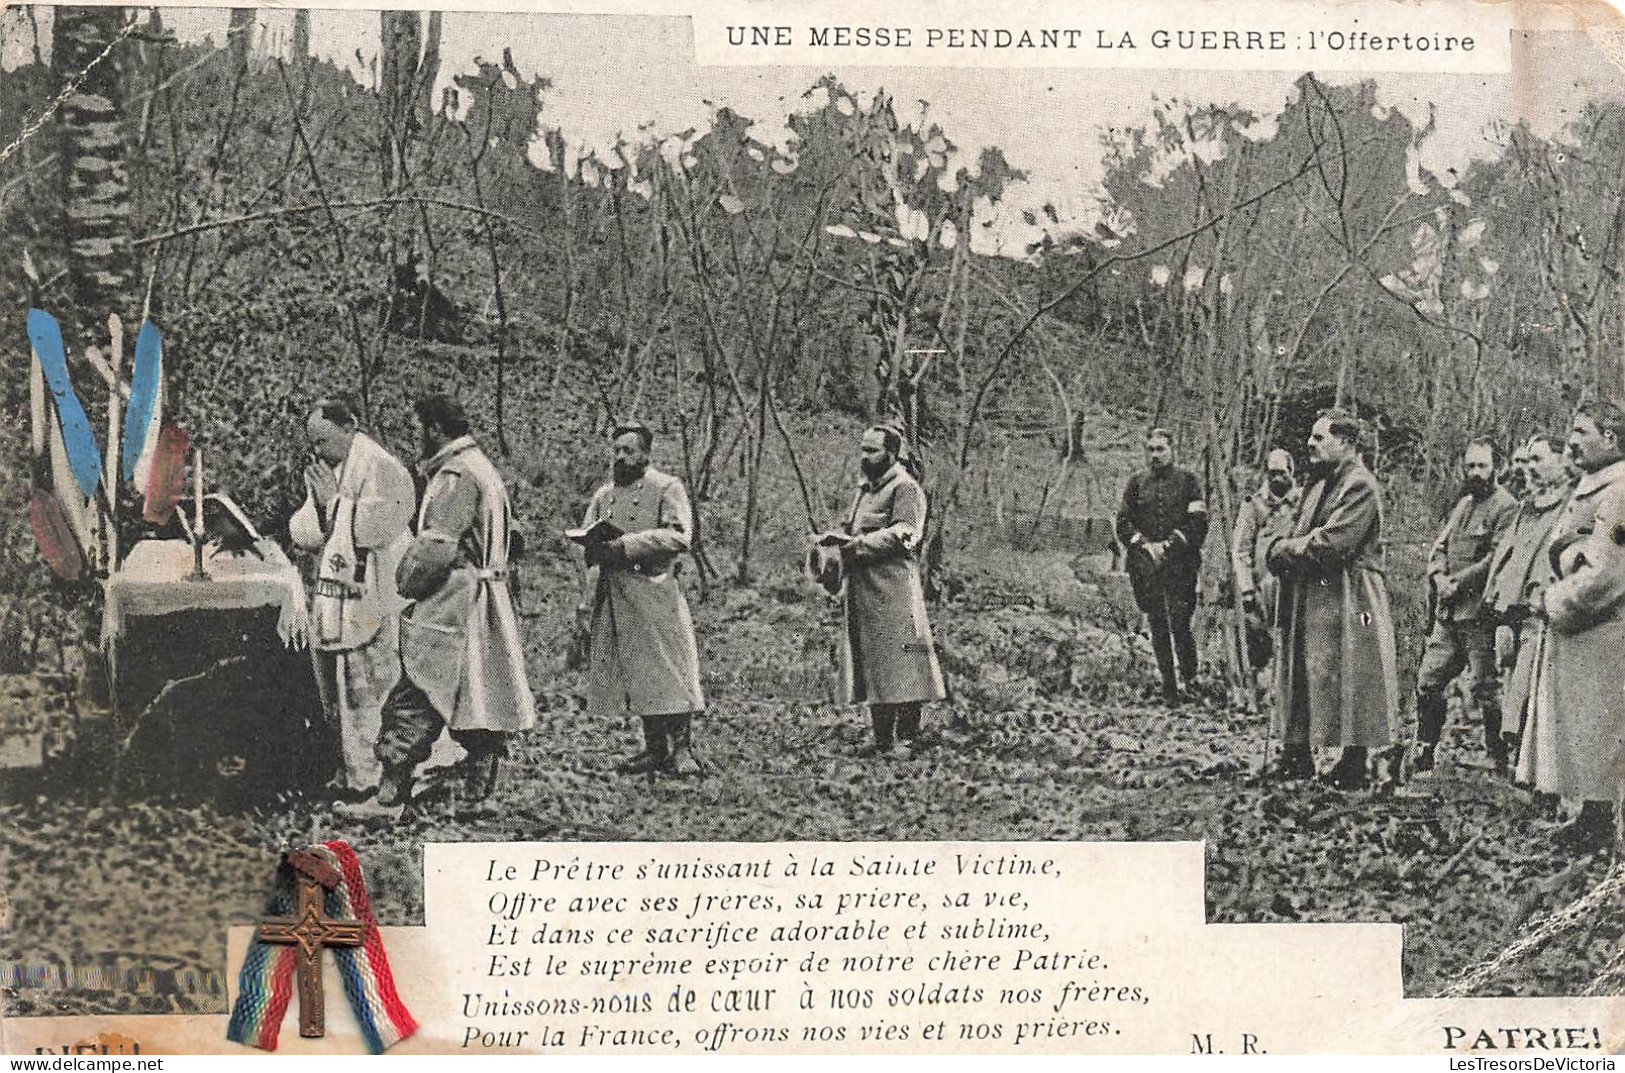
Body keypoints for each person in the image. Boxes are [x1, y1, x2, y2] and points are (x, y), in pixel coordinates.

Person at [340, 394, 536, 819]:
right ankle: (476, 788)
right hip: (486, 595)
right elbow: (514, 534)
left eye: (418, 429)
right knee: (473, 692)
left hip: (456, 599)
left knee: (416, 693)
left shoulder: (455, 473)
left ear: (434, 429)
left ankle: (389, 797)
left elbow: (436, 548)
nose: (416, 438)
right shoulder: (482, 467)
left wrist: (406, 583)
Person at [1265, 410, 1399, 790]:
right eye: (1311, 436)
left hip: (1353, 596)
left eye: (1320, 438)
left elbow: (1332, 543)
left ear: (1347, 444)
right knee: (1304, 670)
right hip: (1317, 592)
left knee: (1354, 673)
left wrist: (1282, 551)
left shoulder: (1359, 485)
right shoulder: (1320, 483)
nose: (1310, 443)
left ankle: (1353, 764)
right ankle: (1297, 756)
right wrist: (1284, 547)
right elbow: (1299, 531)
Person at [289, 398, 415, 799]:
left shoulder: (383, 467)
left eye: (324, 441)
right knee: (343, 684)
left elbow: (382, 525)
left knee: (376, 683)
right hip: (341, 590)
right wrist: (325, 509)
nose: (317, 452)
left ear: (350, 428)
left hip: (378, 587)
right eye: (313, 444)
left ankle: (380, 775)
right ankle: (352, 768)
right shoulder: (330, 470)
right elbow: (308, 529)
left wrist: (336, 507)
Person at [1520, 401, 1625, 850]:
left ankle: (1600, 822)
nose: (1573, 441)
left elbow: (1608, 572)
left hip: (1603, 630)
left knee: (1600, 726)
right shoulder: (1592, 485)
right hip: (1580, 631)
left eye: (1583, 431)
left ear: (1612, 439)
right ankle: (1590, 815)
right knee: (1582, 724)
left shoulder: (1619, 490)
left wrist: (1553, 601)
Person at [577, 422, 705, 777]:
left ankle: (682, 749)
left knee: (670, 667)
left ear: (647, 454)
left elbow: (680, 536)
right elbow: (590, 537)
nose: (621, 457)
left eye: (629, 451)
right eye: (616, 450)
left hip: (655, 589)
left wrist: (628, 545)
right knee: (637, 672)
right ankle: (654, 749)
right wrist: (593, 549)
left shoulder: (667, 487)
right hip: (616, 594)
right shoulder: (604, 495)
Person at [822, 425, 946, 756]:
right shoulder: (865, 490)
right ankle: (881, 738)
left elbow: (906, 532)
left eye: (872, 451)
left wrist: (856, 545)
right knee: (874, 664)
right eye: (862, 449)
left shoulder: (907, 489)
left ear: (891, 454)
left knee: (905, 662)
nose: (865, 457)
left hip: (894, 590)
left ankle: (908, 738)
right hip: (863, 591)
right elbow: (852, 529)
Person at [1413, 438, 1517, 775]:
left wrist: (1459, 582)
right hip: (1448, 616)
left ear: (1497, 468)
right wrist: (1439, 575)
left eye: (1482, 466)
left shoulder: (1506, 507)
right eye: (1470, 466)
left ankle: (1498, 759)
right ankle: (1424, 749)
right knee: (1428, 681)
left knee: (1485, 687)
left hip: (1479, 616)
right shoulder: (1463, 505)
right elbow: (1440, 545)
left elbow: (1496, 559)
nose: (1475, 473)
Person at [1482, 435, 1570, 769]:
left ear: (1562, 462)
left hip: (1541, 612)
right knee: (1509, 681)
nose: (1529, 468)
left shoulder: (1571, 507)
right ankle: (1514, 764)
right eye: (1527, 460)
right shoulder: (1526, 506)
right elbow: (1508, 555)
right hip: (1511, 609)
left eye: (1538, 460)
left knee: (1530, 689)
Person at [1115, 427, 1209, 705]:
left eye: (1161, 449)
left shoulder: (1189, 482)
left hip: (1180, 565)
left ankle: (1190, 678)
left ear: (1172, 450)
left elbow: (1197, 523)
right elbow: (1122, 521)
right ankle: (1169, 685)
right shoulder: (1136, 483)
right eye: (1151, 449)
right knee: (1157, 623)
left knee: (1180, 622)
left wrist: (1169, 546)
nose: (1155, 455)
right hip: (1146, 566)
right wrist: (1143, 544)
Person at [1230, 448, 1300, 675]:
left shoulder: (1302, 502)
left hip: (1295, 586)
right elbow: (1241, 551)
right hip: (1262, 588)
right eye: (1272, 473)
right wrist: (1247, 589)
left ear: (1291, 472)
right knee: (1260, 642)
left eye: (1282, 473)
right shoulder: (1253, 505)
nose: (1278, 478)